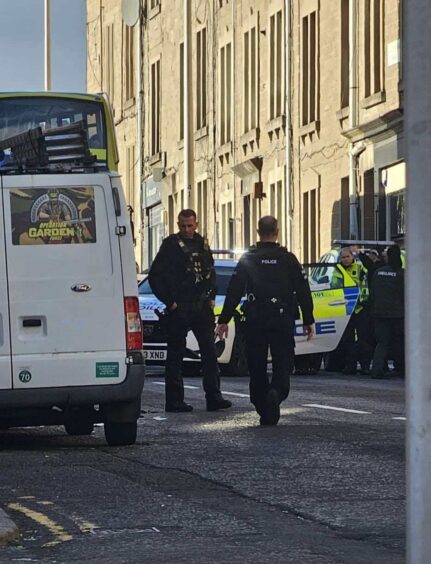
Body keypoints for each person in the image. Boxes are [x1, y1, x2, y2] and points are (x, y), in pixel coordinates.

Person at [216, 216, 315, 426]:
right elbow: (304, 290)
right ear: (277, 232)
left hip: (255, 319)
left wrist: (223, 320)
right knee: (283, 363)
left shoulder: (249, 259)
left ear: (257, 231)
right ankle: (277, 393)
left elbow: (234, 290)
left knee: (257, 365)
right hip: (282, 318)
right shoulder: (288, 259)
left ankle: (263, 403)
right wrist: (309, 319)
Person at [148, 209, 232, 413]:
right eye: (183, 226)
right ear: (178, 225)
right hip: (180, 307)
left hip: (201, 306)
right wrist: (170, 303)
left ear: (196, 224)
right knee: (176, 354)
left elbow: (210, 272)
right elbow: (155, 277)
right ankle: (174, 401)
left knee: (209, 353)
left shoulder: (202, 244)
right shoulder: (170, 245)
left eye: (190, 225)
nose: (186, 229)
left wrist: (212, 297)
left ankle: (214, 397)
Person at [331, 247, 372, 375]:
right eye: (343, 257)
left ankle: (365, 365)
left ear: (352, 257)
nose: (345, 259)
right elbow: (334, 287)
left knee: (363, 338)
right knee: (347, 339)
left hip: (360, 307)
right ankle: (350, 365)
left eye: (347, 257)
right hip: (346, 309)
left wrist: (364, 301)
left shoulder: (360, 267)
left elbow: (366, 282)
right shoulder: (338, 271)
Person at [369, 245, 405, 379]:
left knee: (381, 343)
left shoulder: (378, 272)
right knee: (399, 342)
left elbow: (372, 293)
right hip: (397, 314)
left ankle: (377, 370)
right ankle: (401, 368)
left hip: (379, 313)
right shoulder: (401, 273)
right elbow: (405, 295)